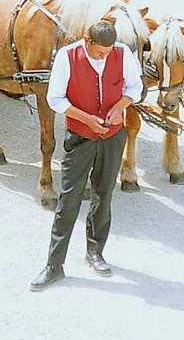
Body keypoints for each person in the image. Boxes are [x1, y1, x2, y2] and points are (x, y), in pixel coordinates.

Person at [31, 17, 141, 291]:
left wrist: (119, 107)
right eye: (99, 52)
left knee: (104, 195)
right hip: (80, 137)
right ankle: (54, 266)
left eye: (108, 52)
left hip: (113, 136)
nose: (104, 57)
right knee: (69, 200)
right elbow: (55, 99)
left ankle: (95, 253)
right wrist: (86, 119)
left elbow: (135, 88)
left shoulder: (122, 53)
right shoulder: (67, 57)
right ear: (87, 41)